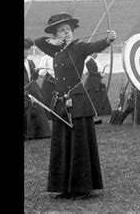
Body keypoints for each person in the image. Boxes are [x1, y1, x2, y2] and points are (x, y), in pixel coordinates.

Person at [34, 12, 116, 199]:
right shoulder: (55, 50)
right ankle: (65, 187)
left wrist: (108, 40)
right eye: (62, 31)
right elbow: (38, 42)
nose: (66, 33)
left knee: (79, 145)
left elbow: (96, 45)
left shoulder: (79, 48)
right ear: (56, 35)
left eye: (68, 30)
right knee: (63, 144)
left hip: (78, 102)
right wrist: (50, 40)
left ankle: (82, 187)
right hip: (61, 104)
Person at [24, 38, 51, 140]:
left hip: (32, 88)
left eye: (27, 50)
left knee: (38, 108)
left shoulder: (30, 62)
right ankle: (28, 134)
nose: (26, 52)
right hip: (25, 90)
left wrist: (36, 72)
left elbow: (33, 78)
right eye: (24, 49)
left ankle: (41, 133)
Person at [38, 54, 56, 120]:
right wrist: (46, 68)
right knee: (47, 98)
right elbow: (40, 73)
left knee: (59, 99)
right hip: (49, 81)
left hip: (58, 80)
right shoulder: (45, 58)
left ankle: (57, 115)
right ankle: (47, 116)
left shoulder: (58, 55)